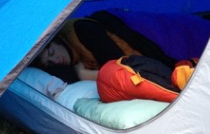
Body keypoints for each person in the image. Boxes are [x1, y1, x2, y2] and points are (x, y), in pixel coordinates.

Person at [34, 10, 178, 83]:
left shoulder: (84, 32)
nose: (56, 60)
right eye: (50, 62)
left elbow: (123, 71)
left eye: (52, 52)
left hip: (164, 39)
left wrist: (85, 75)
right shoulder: (71, 57)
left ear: (58, 39)